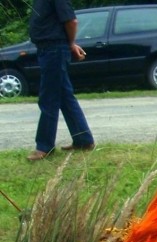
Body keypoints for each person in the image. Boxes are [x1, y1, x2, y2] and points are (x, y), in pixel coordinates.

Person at [27, 0, 95, 162]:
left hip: (54, 50)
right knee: (65, 97)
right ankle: (83, 140)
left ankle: (44, 147)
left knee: (48, 98)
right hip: (48, 49)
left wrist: (70, 44)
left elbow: (71, 21)